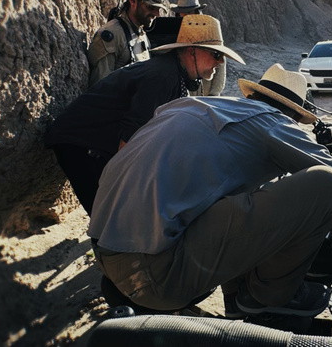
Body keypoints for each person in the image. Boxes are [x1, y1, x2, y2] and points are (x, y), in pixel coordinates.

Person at [87, 64, 332, 317]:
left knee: (229, 191)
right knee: (328, 184)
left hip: (107, 255)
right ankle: (269, 296)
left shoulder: (195, 106)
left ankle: (234, 298)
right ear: (292, 115)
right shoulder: (271, 122)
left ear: (253, 94)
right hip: (157, 277)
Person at [45, 14, 243, 215]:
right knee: (109, 218)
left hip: (97, 145)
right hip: (79, 143)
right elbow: (130, 139)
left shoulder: (176, 75)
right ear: (192, 50)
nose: (220, 62)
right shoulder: (163, 77)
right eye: (215, 55)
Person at [86, 0, 170, 88]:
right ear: (133, 1)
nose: (156, 14)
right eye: (150, 7)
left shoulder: (141, 35)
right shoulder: (112, 34)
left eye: (158, 9)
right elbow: (99, 88)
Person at [148, 0, 226, 96]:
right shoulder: (173, 33)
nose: (187, 15)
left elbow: (220, 64)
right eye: (183, 12)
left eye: (190, 12)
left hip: (205, 93)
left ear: (197, 12)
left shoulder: (209, 31)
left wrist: (214, 94)